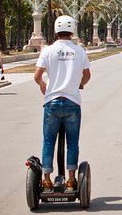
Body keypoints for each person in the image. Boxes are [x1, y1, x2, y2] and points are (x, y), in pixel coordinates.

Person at [34, 15, 91, 192]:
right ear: (72, 30)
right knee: (72, 143)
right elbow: (87, 75)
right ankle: (72, 180)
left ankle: (46, 180)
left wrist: (44, 86)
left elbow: (37, 76)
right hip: (73, 102)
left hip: (52, 102)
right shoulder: (79, 51)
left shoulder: (47, 50)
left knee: (48, 142)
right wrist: (78, 84)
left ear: (55, 31)